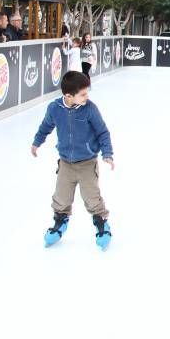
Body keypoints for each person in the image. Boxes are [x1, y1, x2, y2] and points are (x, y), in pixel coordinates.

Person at [31, 71, 115, 251]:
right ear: (68, 96)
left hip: (87, 163)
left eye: (87, 93)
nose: (87, 97)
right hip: (66, 164)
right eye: (83, 94)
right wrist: (37, 142)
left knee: (92, 197)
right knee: (61, 196)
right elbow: (46, 126)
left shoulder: (90, 108)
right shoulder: (54, 108)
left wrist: (107, 153)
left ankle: (101, 223)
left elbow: (102, 132)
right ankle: (60, 221)